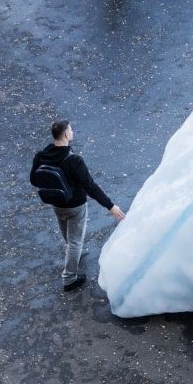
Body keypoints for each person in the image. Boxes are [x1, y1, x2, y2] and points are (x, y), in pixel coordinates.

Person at [29, 120, 126, 292]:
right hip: (75, 205)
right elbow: (90, 186)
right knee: (75, 242)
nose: (72, 132)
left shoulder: (41, 155)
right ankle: (69, 278)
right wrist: (110, 206)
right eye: (71, 130)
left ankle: (73, 255)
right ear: (66, 135)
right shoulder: (73, 160)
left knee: (68, 235)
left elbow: (34, 180)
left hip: (56, 203)